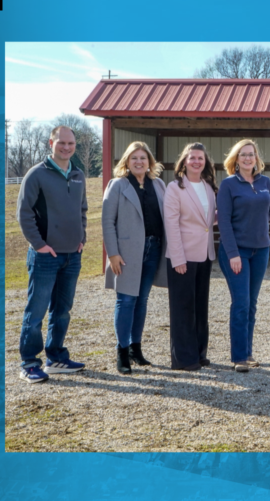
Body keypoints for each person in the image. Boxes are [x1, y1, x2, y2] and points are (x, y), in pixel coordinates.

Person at [15, 125, 87, 383]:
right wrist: (39, 245)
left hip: (72, 256)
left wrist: (82, 239)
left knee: (62, 311)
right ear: (51, 143)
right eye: (61, 143)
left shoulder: (78, 174)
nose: (66, 147)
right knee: (36, 311)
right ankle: (29, 362)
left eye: (71, 144)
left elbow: (83, 211)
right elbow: (23, 214)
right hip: (45, 256)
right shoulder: (36, 175)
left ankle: (56, 357)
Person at [102, 142, 168, 374]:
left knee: (142, 300)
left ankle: (135, 349)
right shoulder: (117, 185)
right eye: (134, 158)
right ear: (127, 162)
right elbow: (107, 222)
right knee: (126, 300)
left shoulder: (158, 185)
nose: (139, 162)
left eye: (143, 158)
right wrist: (113, 254)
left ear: (150, 161)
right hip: (126, 254)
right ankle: (121, 352)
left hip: (153, 248)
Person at [217, 139, 270, 373]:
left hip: (260, 250)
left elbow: (269, 211)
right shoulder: (229, 185)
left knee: (251, 304)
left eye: (251, 154)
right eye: (243, 155)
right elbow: (223, 222)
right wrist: (233, 252)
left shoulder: (266, 182)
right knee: (240, 303)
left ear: (256, 158)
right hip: (236, 252)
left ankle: (248, 352)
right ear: (236, 159)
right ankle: (239, 356)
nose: (248, 158)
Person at [164, 143, 219, 371]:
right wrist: (178, 258)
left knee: (200, 306)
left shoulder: (208, 187)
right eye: (192, 158)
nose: (197, 161)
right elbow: (172, 224)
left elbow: (208, 221)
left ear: (205, 162)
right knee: (183, 307)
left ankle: (199, 352)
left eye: (200, 158)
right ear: (184, 161)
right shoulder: (175, 188)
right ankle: (183, 359)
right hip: (182, 256)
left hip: (204, 254)